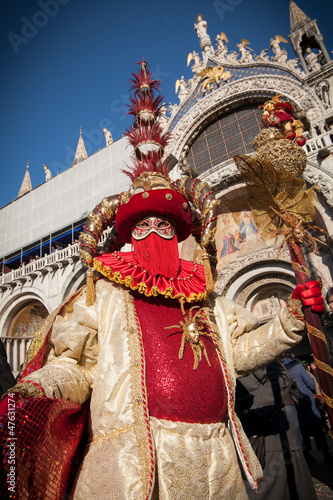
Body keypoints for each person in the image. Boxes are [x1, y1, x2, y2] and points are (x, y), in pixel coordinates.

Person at [0, 61, 325, 500]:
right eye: (143, 226)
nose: (155, 234)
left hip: (218, 460)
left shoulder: (204, 298)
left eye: (166, 226)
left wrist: (289, 319)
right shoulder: (106, 294)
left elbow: (239, 353)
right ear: (129, 235)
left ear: (180, 233)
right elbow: (76, 366)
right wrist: (42, 388)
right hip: (137, 466)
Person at [236, 360, 317, 500]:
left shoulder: (246, 346)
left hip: (271, 442)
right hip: (245, 443)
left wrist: (250, 416)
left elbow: (281, 379)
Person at [282, 353, 333, 466]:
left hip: (293, 401)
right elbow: (310, 382)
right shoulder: (297, 366)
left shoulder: (281, 369)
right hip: (306, 398)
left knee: (302, 430)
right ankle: (326, 454)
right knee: (317, 428)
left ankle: (308, 457)